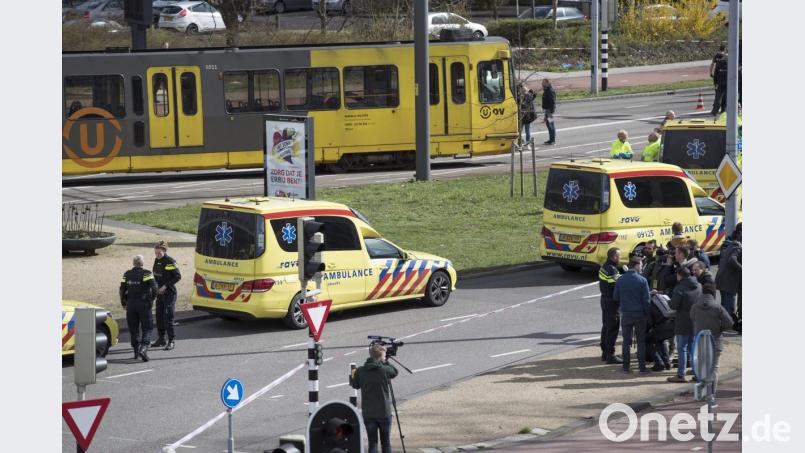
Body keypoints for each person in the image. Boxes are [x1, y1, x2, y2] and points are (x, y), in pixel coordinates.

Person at [350, 343, 399, 453]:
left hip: (369, 413)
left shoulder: (360, 371)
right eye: (384, 356)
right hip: (384, 412)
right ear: (380, 356)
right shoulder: (384, 370)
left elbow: (355, 385)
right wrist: (386, 361)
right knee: (386, 442)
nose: (385, 357)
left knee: (373, 443)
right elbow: (395, 372)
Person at [691, 283, 734, 395]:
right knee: (714, 369)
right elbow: (729, 322)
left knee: (702, 367)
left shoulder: (695, 306)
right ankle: (711, 394)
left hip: (700, 341)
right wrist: (719, 329)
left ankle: (703, 392)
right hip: (715, 341)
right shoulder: (717, 307)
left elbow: (692, 318)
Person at [613, 256, 652, 373]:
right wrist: (647, 314)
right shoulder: (642, 280)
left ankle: (625, 367)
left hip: (626, 313)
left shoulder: (620, 279)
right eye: (640, 265)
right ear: (636, 265)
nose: (641, 267)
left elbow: (615, 297)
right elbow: (646, 300)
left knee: (626, 341)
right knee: (641, 342)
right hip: (639, 314)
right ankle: (642, 368)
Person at [120, 255, 158, 362]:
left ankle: (136, 352)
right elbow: (154, 288)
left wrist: (123, 302)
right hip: (143, 304)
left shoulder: (127, 274)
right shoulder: (146, 273)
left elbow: (122, 289)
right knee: (147, 327)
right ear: (142, 263)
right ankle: (144, 348)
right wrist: (151, 299)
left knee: (133, 329)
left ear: (133, 263)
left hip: (130, 304)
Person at [667, 266, 702, 383]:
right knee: (693, 348)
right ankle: (696, 373)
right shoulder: (698, 286)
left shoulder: (679, 288)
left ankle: (680, 375)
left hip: (682, 321)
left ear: (680, 275)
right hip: (695, 321)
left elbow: (673, 305)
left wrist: (669, 300)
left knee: (682, 348)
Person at [151, 241, 182, 351]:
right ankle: (161, 339)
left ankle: (171, 341)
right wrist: (156, 288)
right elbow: (155, 276)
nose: (157, 255)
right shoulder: (157, 260)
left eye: (159, 253)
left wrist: (165, 286)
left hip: (169, 293)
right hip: (159, 293)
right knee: (159, 316)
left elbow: (178, 276)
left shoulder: (170, 261)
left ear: (164, 251)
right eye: (155, 253)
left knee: (168, 317)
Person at [598, 247, 623, 364]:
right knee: (613, 328)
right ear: (614, 257)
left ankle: (604, 352)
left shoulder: (604, 267)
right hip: (612, 303)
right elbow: (619, 286)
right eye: (619, 256)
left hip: (604, 300)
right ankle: (610, 355)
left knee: (606, 326)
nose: (620, 258)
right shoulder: (613, 270)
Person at [716, 225, 742, 324]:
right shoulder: (737, 245)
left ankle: (722, 324)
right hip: (728, 282)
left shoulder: (730, 243)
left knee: (725, 306)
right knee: (728, 307)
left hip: (723, 280)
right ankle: (724, 327)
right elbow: (732, 259)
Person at [711, 51, 728, 117]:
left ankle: (715, 111)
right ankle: (723, 110)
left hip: (719, 83)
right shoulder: (730, 64)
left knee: (718, 97)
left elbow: (716, 75)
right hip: (727, 83)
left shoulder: (718, 64)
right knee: (725, 97)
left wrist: (715, 83)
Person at [541, 79, 556, 145]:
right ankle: (551, 139)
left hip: (549, 111)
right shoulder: (547, 90)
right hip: (547, 110)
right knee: (549, 124)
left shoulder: (550, 91)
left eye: (543, 83)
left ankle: (552, 140)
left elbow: (552, 102)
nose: (542, 84)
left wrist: (551, 111)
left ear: (547, 83)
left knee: (550, 125)